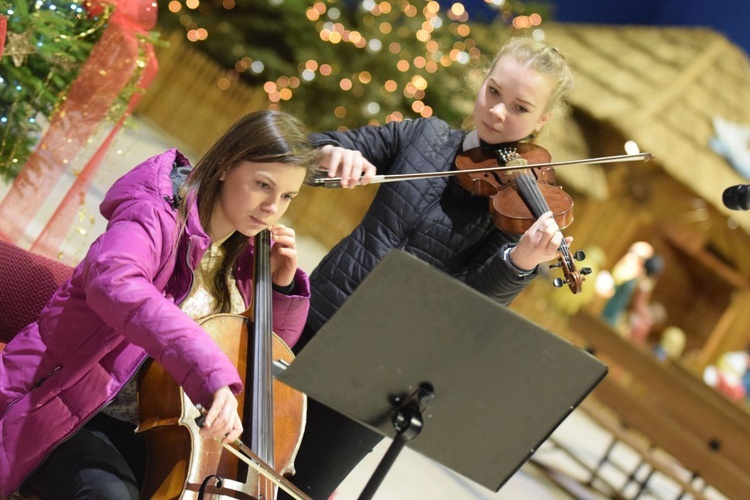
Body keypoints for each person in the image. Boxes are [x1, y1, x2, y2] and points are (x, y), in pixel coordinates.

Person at [285, 36, 577, 499]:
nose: (498, 112)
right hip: (313, 318)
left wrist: (518, 262)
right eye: (494, 92)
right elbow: (306, 147)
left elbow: (465, 308)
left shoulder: (520, 203)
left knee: (300, 488)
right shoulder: (423, 136)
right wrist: (330, 154)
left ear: (541, 121)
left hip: (381, 370)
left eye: (520, 108)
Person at [0, 110, 321, 499]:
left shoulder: (246, 257)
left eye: (287, 196)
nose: (273, 207)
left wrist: (280, 289)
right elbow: (115, 283)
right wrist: (208, 370)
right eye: (262, 185)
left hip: (160, 429)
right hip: (71, 403)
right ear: (224, 167)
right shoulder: (154, 212)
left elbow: (256, 367)